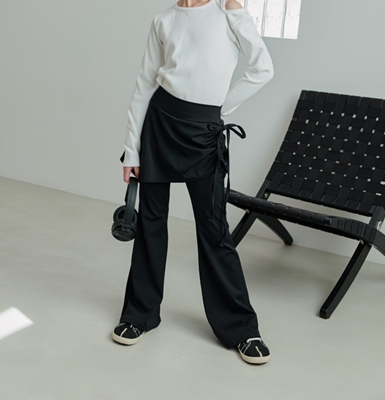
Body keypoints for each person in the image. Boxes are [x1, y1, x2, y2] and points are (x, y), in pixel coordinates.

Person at [112, 0, 274, 365]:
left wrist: (219, 108)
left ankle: (241, 328)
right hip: (160, 126)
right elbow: (144, 84)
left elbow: (263, 67)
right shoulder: (164, 20)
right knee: (151, 223)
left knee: (214, 229)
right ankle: (139, 315)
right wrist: (131, 150)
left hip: (204, 134)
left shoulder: (228, 13)